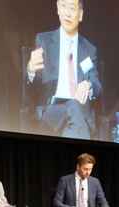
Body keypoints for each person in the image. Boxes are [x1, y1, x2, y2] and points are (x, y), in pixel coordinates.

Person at [25, 0, 102, 140]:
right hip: (50, 114)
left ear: (80, 14)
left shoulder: (89, 50)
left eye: (72, 8)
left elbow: (97, 84)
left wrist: (88, 84)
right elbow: (33, 87)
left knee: (74, 112)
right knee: (73, 106)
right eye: (64, 6)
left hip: (79, 115)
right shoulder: (45, 41)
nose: (67, 12)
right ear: (58, 9)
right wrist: (31, 70)